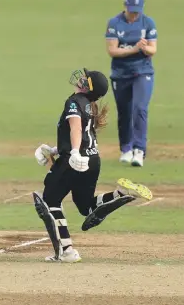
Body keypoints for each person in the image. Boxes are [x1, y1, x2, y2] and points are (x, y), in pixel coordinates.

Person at [32, 68, 153, 263]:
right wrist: (54, 150)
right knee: (86, 207)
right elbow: (81, 135)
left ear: (88, 87)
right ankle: (120, 194)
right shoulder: (88, 105)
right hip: (93, 159)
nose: (81, 78)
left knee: (49, 200)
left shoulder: (74, 102)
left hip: (75, 160)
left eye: (85, 78)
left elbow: (76, 128)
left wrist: (72, 153)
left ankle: (67, 251)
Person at [105, 0, 157, 167]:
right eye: (131, 10)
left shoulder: (147, 23)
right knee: (124, 112)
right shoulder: (115, 23)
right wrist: (134, 49)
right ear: (125, 6)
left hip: (143, 72)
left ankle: (139, 150)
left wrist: (144, 48)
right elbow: (112, 50)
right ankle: (126, 149)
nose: (134, 14)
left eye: (137, 11)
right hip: (120, 73)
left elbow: (153, 50)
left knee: (140, 108)